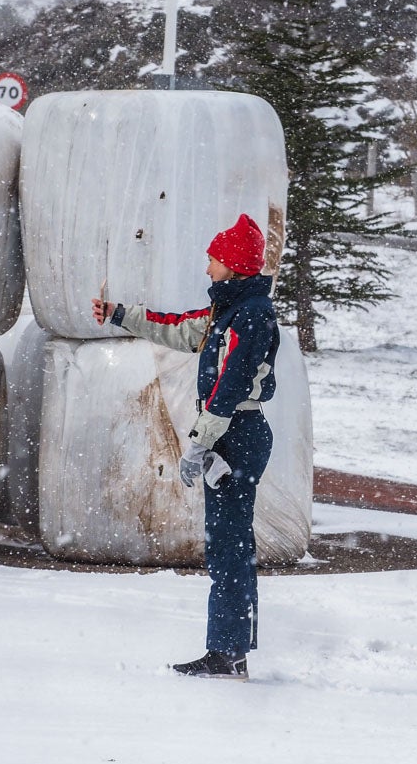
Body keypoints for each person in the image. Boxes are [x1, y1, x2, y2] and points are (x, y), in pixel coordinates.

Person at [92, 214, 280, 681]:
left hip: (236, 432)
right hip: (231, 433)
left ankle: (227, 652)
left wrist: (199, 441)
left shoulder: (251, 315)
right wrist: (120, 314)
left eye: (213, 259)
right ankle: (231, 648)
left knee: (230, 547)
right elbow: (178, 328)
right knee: (230, 545)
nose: (207, 267)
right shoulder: (229, 310)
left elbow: (232, 382)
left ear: (233, 265)